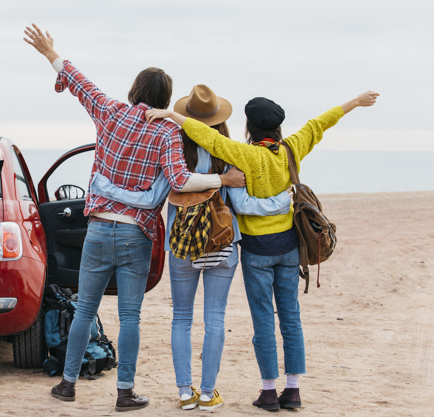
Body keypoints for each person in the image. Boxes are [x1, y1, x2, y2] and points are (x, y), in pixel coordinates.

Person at [23, 24, 242, 412]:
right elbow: (179, 180)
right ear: (166, 99)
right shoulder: (167, 133)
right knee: (130, 317)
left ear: (134, 91)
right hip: (134, 235)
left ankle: (67, 384)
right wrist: (221, 178)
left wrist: (49, 53)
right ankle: (125, 392)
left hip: (97, 230)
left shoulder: (109, 112)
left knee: (85, 309)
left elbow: (78, 82)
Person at [145, 90, 379, 411]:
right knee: (291, 318)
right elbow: (319, 124)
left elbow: (206, 137)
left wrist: (174, 116)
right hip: (289, 249)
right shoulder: (291, 150)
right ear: (278, 128)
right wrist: (353, 103)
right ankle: (293, 390)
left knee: (263, 320)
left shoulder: (244, 154)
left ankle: (269, 391)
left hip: (256, 253)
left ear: (249, 128)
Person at [90, 84, 292, 411]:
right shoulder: (229, 152)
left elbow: (158, 189)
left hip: (183, 244)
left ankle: (185, 392)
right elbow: (241, 201)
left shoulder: (173, 145)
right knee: (215, 318)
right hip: (222, 244)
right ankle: (209, 393)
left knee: (181, 318)